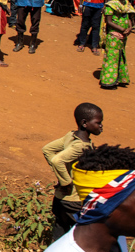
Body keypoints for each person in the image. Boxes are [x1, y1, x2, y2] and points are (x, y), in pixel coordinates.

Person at [41, 102, 104, 241]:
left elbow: (48, 149)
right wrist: (66, 182)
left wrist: (61, 175)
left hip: (60, 199)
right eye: (98, 122)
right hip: (74, 200)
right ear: (84, 123)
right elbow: (58, 161)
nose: (101, 126)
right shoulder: (81, 146)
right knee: (84, 236)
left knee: (59, 233)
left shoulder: (70, 136)